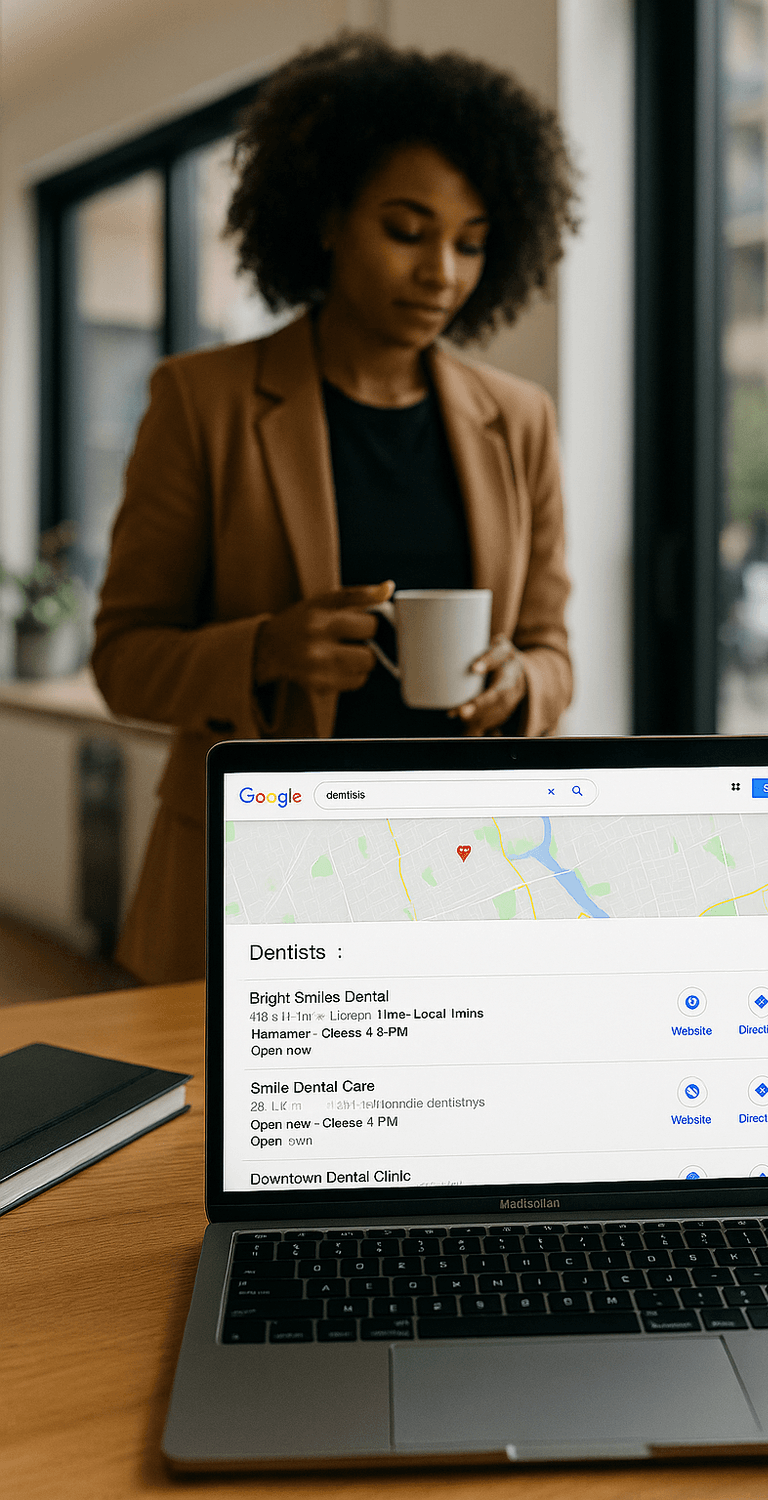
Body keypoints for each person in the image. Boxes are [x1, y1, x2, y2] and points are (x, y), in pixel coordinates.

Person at [92, 33, 578, 984]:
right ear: (325, 219)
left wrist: (521, 684)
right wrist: (264, 651)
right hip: (257, 880)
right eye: (407, 230)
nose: (442, 273)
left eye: (471, 243)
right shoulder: (202, 402)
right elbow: (122, 661)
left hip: (460, 881)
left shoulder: (519, 421)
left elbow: (553, 651)